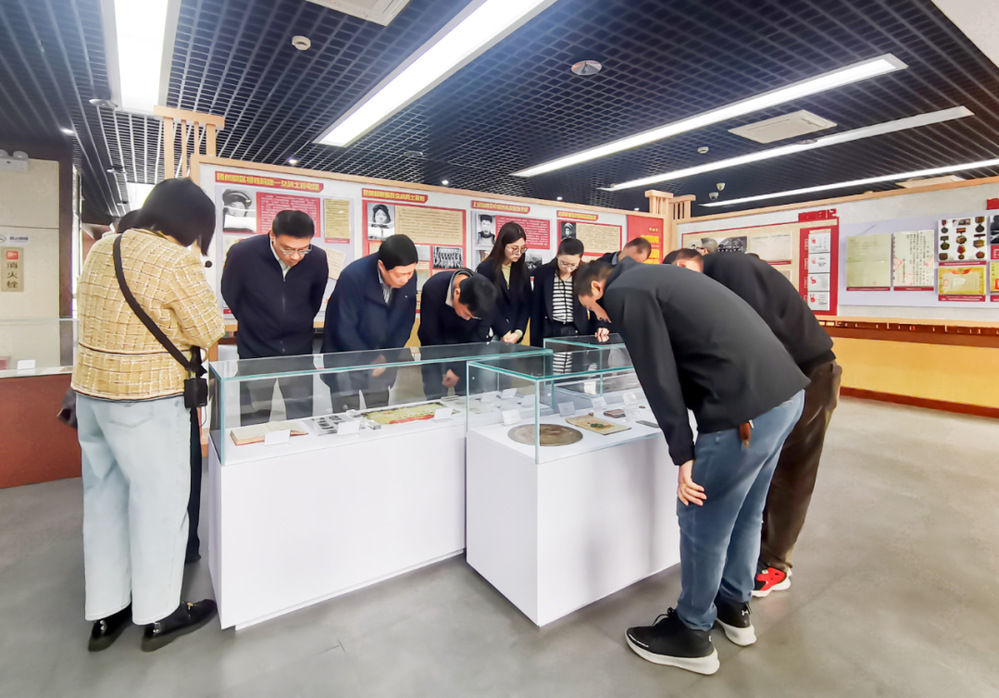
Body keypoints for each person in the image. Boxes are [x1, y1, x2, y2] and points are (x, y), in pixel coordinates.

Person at [575, 259, 807, 675]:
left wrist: (683, 453)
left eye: (593, 308)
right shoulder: (658, 277)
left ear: (596, 288)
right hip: (784, 397)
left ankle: (691, 632)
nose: (601, 317)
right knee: (746, 511)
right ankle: (733, 606)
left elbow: (657, 373)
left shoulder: (625, 292)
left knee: (700, 515)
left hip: (743, 413)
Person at [71, 178, 225, 653]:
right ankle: (159, 613)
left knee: (104, 501)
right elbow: (209, 328)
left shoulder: (104, 247)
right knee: (160, 505)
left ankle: (107, 610)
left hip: (91, 394)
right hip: (147, 399)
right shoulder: (174, 258)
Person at [665, 248, 842, 597]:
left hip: (805, 375)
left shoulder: (730, 267)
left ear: (685, 265)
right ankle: (748, 559)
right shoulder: (719, 274)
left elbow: (752, 335)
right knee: (763, 471)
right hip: (778, 379)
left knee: (791, 471)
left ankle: (775, 564)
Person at [221, 210, 328, 426]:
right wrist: (255, 321)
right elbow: (230, 292)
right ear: (272, 235)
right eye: (287, 249)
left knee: (301, 415)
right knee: (254, 417)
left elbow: (314, 299)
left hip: (298, 352)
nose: (295, 256)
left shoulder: (317, 258)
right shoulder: (243, 254)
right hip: (256, 351)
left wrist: (297, 321)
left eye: (302, 249)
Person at [321, 234, 418, 411]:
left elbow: (405, 322)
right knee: (348, 415)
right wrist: (372, 359)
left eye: (410, 273)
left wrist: (387, 356)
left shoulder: (408, 276)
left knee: (379, 411)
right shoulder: (353, 276)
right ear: (382, 266)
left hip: (382, 362)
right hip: (347, 359)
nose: (405, 280)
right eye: (400, 274)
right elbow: (343, 327)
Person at [417, 268, 498, 399]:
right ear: (457, 293)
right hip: (435, 349)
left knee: (469, 396)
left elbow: (478, 338)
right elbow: (430, 334)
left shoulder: (486, 293)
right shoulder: (433, 288)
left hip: (468, 352)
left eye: (473, 317)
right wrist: (444, 368)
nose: (468, 319)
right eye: (466, 314)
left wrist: (457, 370)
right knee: (435, 395)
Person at [530, 237, 607, 346]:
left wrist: (601, 325)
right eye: (564, 263)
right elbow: (536, 308)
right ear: (558, 255)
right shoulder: (543, 273)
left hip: (578, 330)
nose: (568, 268)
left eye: (573, 265)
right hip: (550, 330)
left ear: (580, 259)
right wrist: (534, 342)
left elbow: (596, 303)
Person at [476, 222, 532, 344]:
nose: (518, 253)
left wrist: (518, 332)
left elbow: (526, 304)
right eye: (514, 248)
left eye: (522, 248)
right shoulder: (485, 269)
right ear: (502, 245)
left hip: (514, 336)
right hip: (492, 333)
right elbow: (488, 304)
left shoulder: (523, 270)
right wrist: (505, 332)